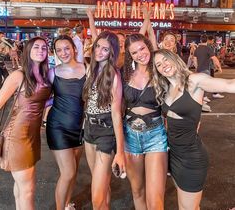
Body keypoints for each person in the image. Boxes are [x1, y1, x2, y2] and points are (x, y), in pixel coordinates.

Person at [154, 48, 235, 210]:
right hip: (173, 155)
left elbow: (229, 85)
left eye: (166, 60)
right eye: (158, 64)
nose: (164, 65)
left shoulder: (194, 80)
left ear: (175, 58)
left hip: (191, 158)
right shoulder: (166, 88)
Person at [0, 36, 51, 210]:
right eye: (36, 47)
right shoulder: (18, 75)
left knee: (21, 186)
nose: (40, 50)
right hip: (17, 137)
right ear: (28, 50)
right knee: (28, 189)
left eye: (44, 48)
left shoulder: (44, 75)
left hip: (32, 136)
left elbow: (42, 101)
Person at [122, 33, 168, 210]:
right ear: (130, 56)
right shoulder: (125, 74)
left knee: (155, 199)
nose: (140, 54)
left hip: (155, 135)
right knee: (137, 192)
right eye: (134, 52)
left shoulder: (160, 71)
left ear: (149, 46)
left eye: (142, 48)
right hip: (130, 136)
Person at [82, 31, 125, 210]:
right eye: (97, 46)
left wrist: (120, 152)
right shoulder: (91, 69)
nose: (99, 51)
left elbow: (116, 114)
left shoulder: (114, 75)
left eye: (105, 49)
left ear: (112, 52)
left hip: (105, 133)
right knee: (101, 185)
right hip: (89, 130)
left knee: (96, 197)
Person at [46, 35, 86, 210]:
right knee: (67, 172)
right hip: (58, 127)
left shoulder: (86, 68)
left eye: (67, 48)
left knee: (73, 171)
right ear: (55, 52)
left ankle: (67, 204)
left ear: (74, 49)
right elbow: (43, 97)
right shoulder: (52, 72)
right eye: (59, 50)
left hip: (79, 127)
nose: (63, 52)